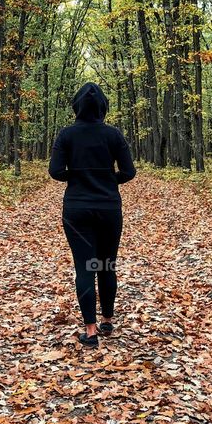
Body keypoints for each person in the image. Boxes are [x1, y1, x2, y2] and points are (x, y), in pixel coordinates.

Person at [49, 82, 136, 348]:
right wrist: (108, 180)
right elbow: (129, 172)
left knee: (85, 267)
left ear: (76, 106)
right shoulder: (113, 135)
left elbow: (55, 171)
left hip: (76, 210)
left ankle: (90, 331)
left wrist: (77, 176)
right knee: (106, 264)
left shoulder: (66, 135)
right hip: (109, 208)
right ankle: (107, 320)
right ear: (103, 107)